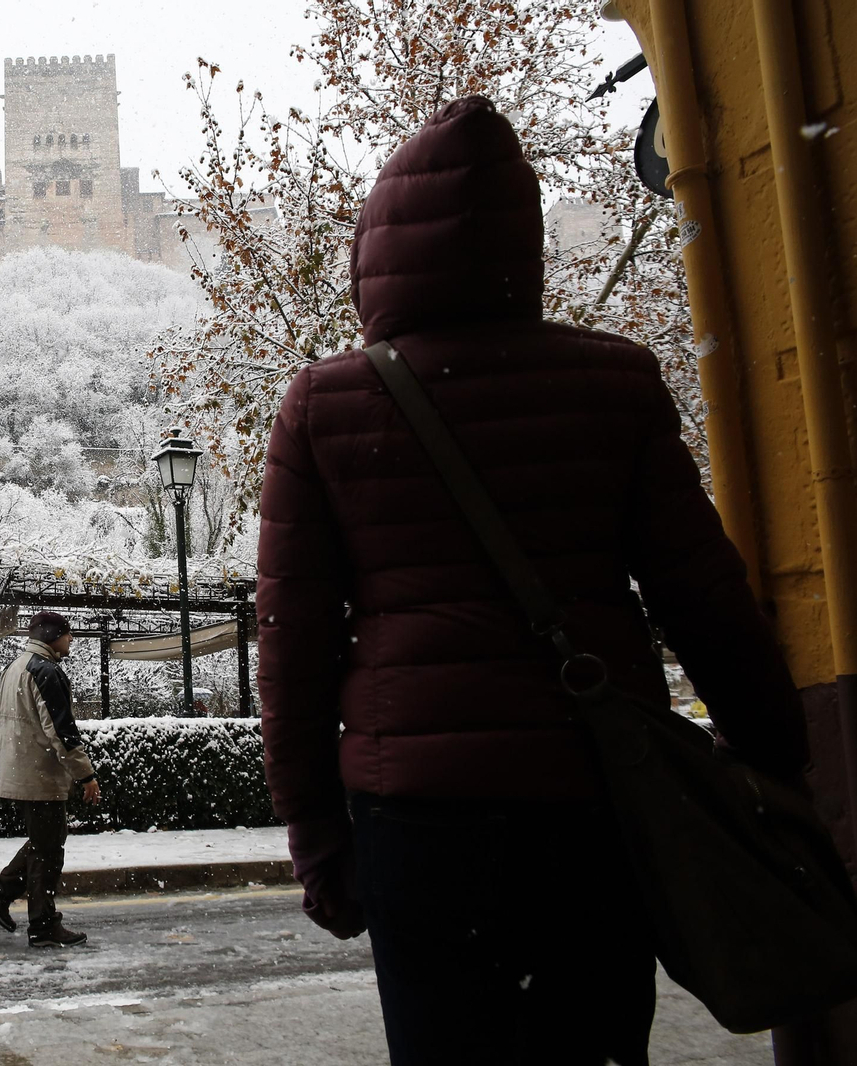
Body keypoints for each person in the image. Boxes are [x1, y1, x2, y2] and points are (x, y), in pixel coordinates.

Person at [257, 96, 809, 1065]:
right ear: (522, 243)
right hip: (591, 798)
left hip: (416, 814)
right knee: (591, 1044)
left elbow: (292, 646)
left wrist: (313, 828)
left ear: (377, 247)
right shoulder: (615, 382)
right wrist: (773, 756)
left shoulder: (324, 403)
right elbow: (702, 596)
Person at [0, 610, 102, 948]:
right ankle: (43, 926)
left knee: (43, 843)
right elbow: (60, 732)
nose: (71, 639)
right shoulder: (45, 671)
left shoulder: (12, 669)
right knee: (48, 852)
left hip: (20, 774)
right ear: (51, 635)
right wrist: (85, 774)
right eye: (67, 633)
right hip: (41, 776)